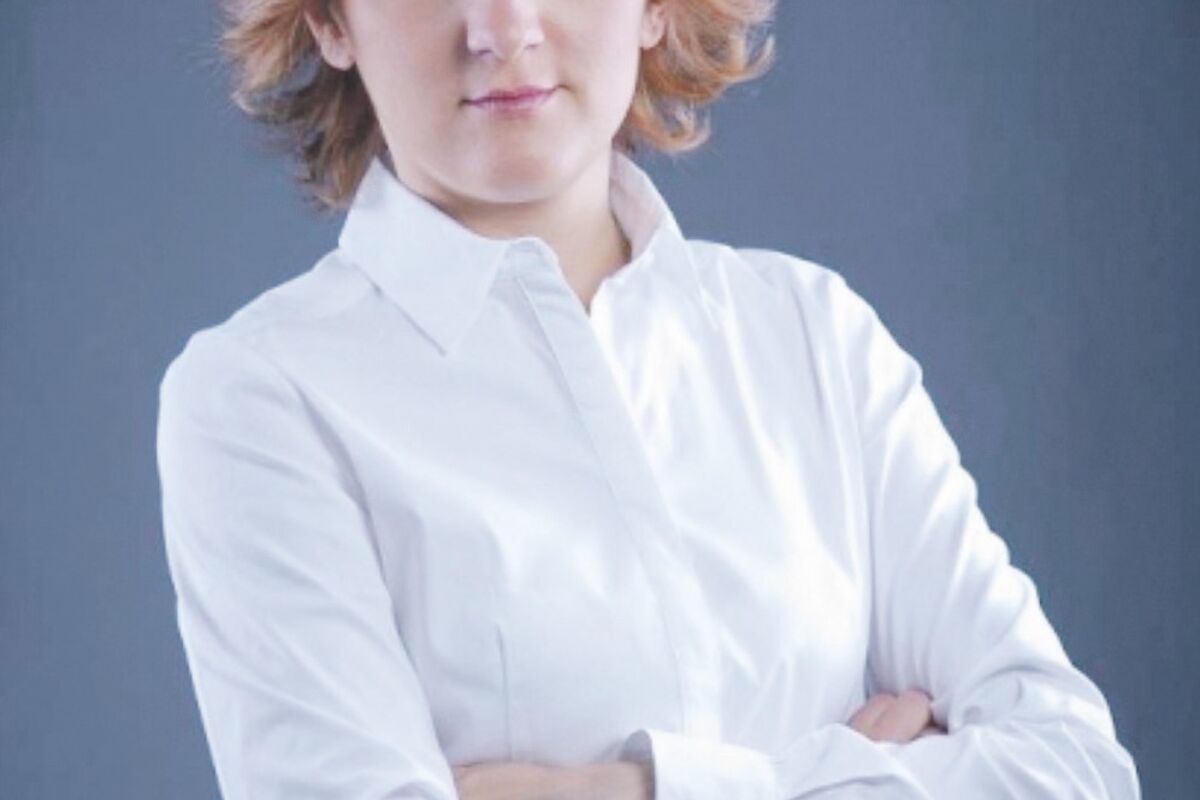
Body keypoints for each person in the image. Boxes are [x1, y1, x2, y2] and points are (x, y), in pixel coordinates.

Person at [154, 0, 1141, 797]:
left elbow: (1074, 770)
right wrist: (865, 772)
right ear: (329, 20)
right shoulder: (261, 399)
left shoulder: (813, 334)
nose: (504, 26)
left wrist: (637, 789)